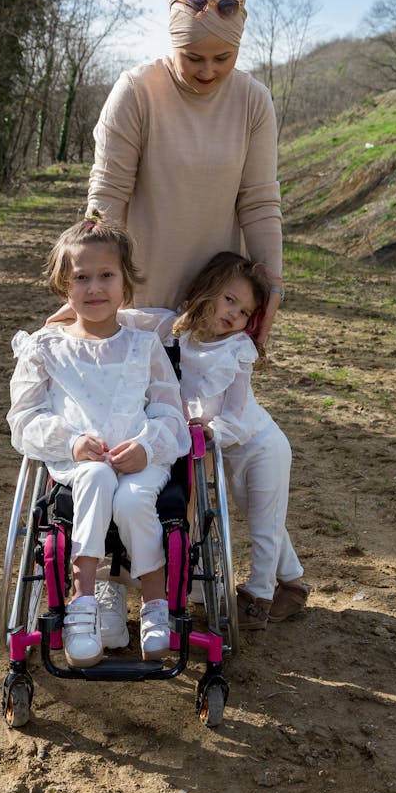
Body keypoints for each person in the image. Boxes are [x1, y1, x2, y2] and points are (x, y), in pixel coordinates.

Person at [79, 0, 290, 636]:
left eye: (222, 57)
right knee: (134, 448)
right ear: (169, 39)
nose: (206, 70)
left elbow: (260, 203)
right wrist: (94, 295)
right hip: (140, 311)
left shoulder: (253, 102)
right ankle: (122, 587)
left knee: (218, 442)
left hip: (211, 312)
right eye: (192, 56)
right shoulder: (136, 91)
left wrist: (268, 291)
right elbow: (106, 199)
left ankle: (249, 574)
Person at [6, 215, 190, 668]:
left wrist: (148, 445)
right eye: (80, 278)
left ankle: (153, 608)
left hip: (141, 461)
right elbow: (24, 418)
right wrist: (69, 442)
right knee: (92, 475)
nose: (94, 288)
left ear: (126, 282)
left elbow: (170, 412)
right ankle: (82, 605)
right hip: (77, 462)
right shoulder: (46, 347)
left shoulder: (144, 346)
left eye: (106, 275)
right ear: (62, 287)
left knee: (130, 501)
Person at [120, 252, 309, 631]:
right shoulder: (175, 329)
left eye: (243, 312)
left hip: (257, 445)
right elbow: (127, 319)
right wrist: (70, 318)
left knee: (263, 524)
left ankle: (258, 597)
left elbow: (237, 413)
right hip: (222, 452)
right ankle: (294, 584)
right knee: (265, 518)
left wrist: (210, 431)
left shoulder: (236, 349)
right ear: (208, 290)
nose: (234, 315)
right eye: (229, 300)